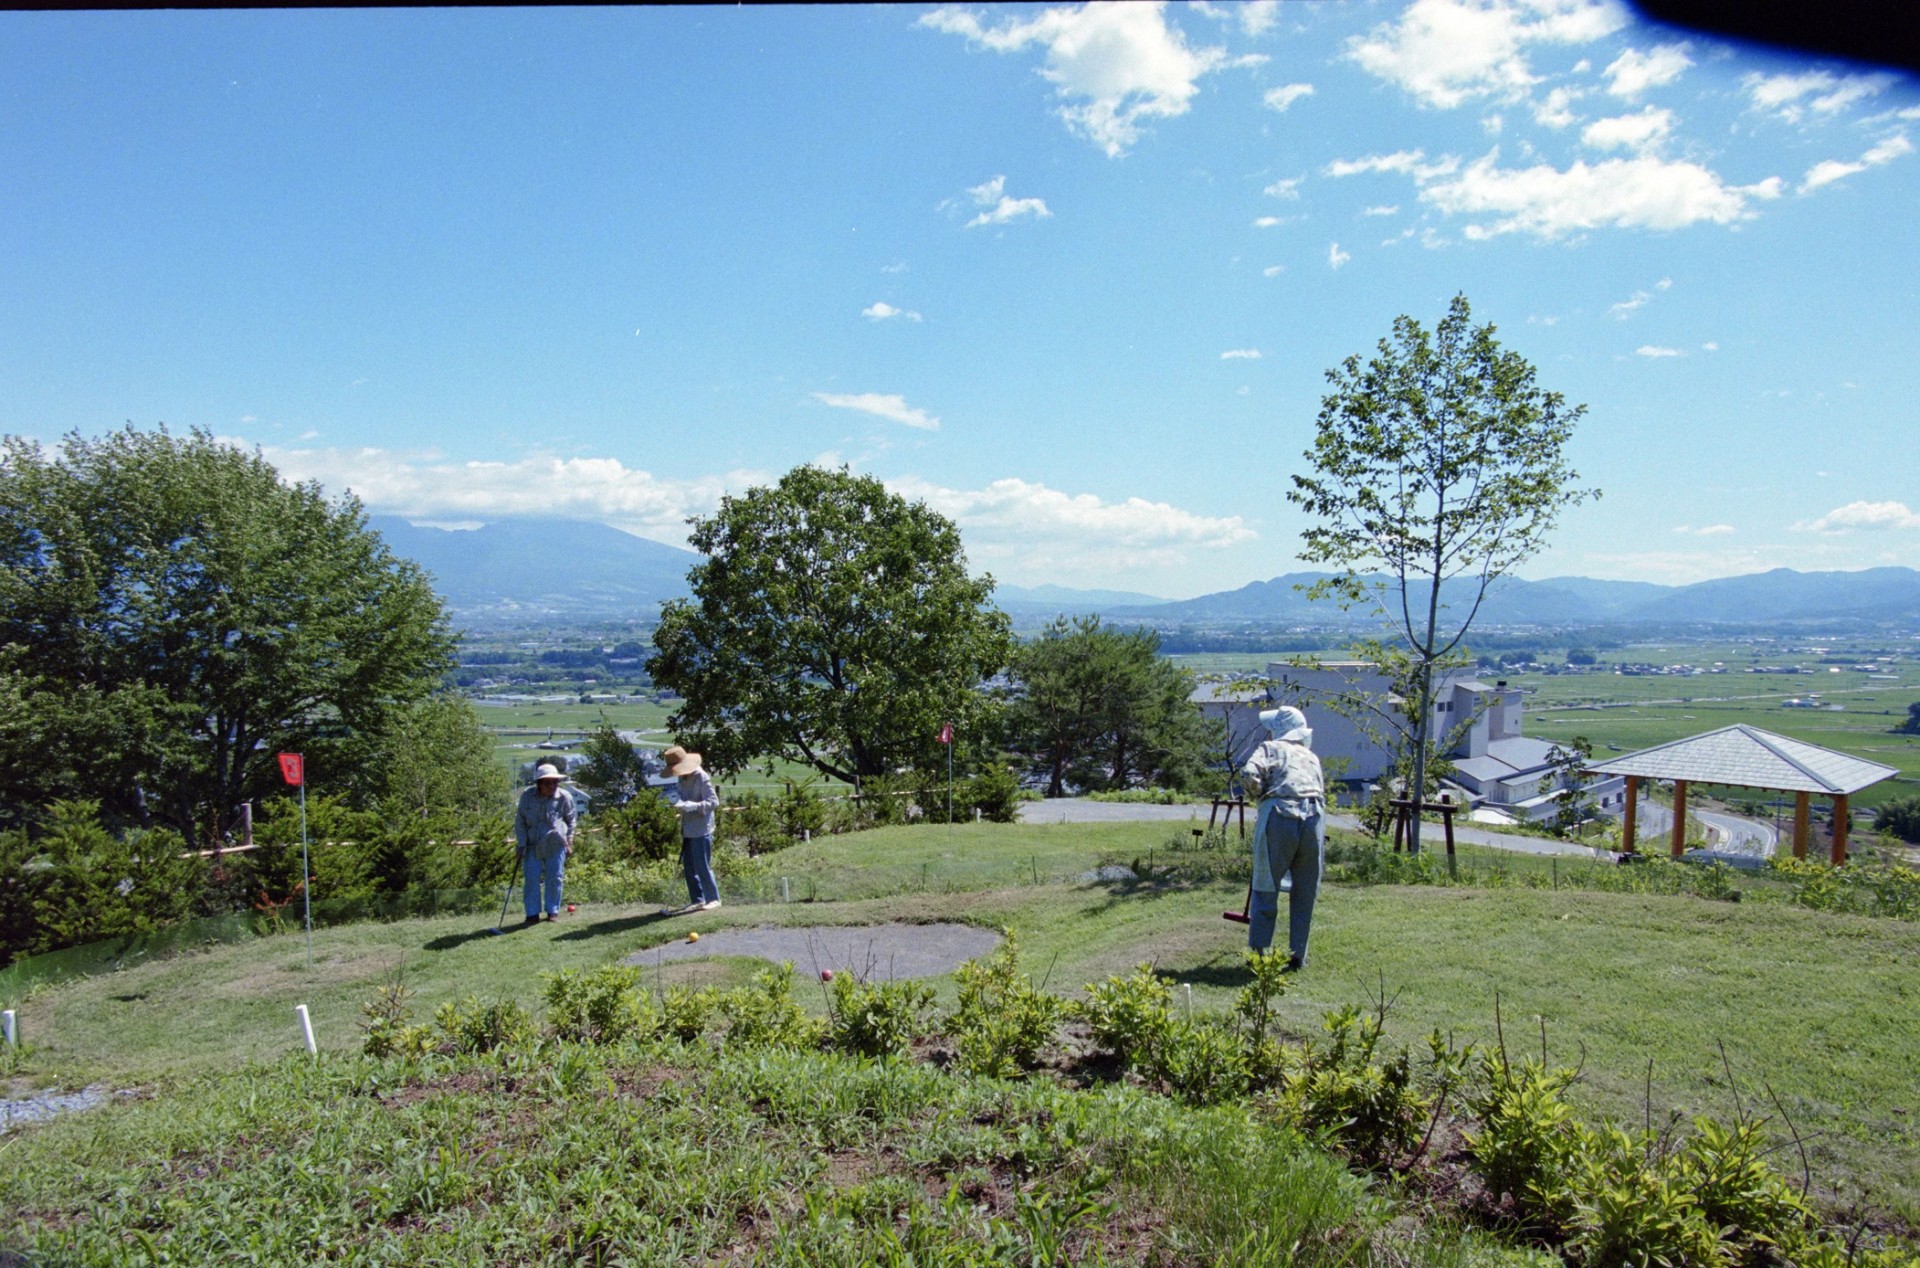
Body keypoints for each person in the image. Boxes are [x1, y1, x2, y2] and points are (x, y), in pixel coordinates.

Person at [1240, 705, 1326, 970]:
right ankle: (1297, 954)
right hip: (1314, 817)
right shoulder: (1311, 756)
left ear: (1278, 730)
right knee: (1305, 889)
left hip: (1278, 813)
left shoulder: (1269, 749)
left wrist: (1259, 794)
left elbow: (1248, 774)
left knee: (1266, 884)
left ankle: (1259, 953)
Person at [660, 744, 721, 914]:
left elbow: (713, 802)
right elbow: (683, 796)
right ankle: (698, 899)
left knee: (702, 865)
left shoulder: (701, 777)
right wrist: (679, 803)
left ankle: (713, 899)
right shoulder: (682, 777)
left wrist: (694, 806)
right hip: (687, 827)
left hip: (702, 828)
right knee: (689, 867)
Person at [515, 763, 577, 924]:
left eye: (555, 782)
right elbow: (520, 821)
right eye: (548, 782)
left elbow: (571, 821)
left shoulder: (564, 797)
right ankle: (532, 914)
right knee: (531, 879)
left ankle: (553, 912)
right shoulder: (527, 797)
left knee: (555, 877)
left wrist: (569, 841)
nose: (553, 786)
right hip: (531, 844)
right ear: (539, 783)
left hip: (555, 844)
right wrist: (520, 844)